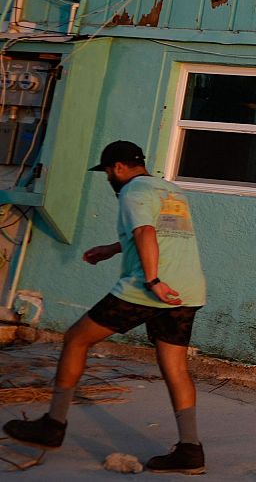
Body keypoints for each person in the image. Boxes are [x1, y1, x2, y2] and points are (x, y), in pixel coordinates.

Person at [3, 141, 208, 474]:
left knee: (76, 339)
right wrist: (114, 248)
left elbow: (144, 231)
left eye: (108, 173)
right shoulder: (171, 191)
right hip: (186, 291)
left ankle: (53, 425)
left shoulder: (131, 192)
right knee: (175, 367)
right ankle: (190, 450)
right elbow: (163, 233)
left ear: (118, 168)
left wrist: (153, 280)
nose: (110, 179)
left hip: (148, 289)